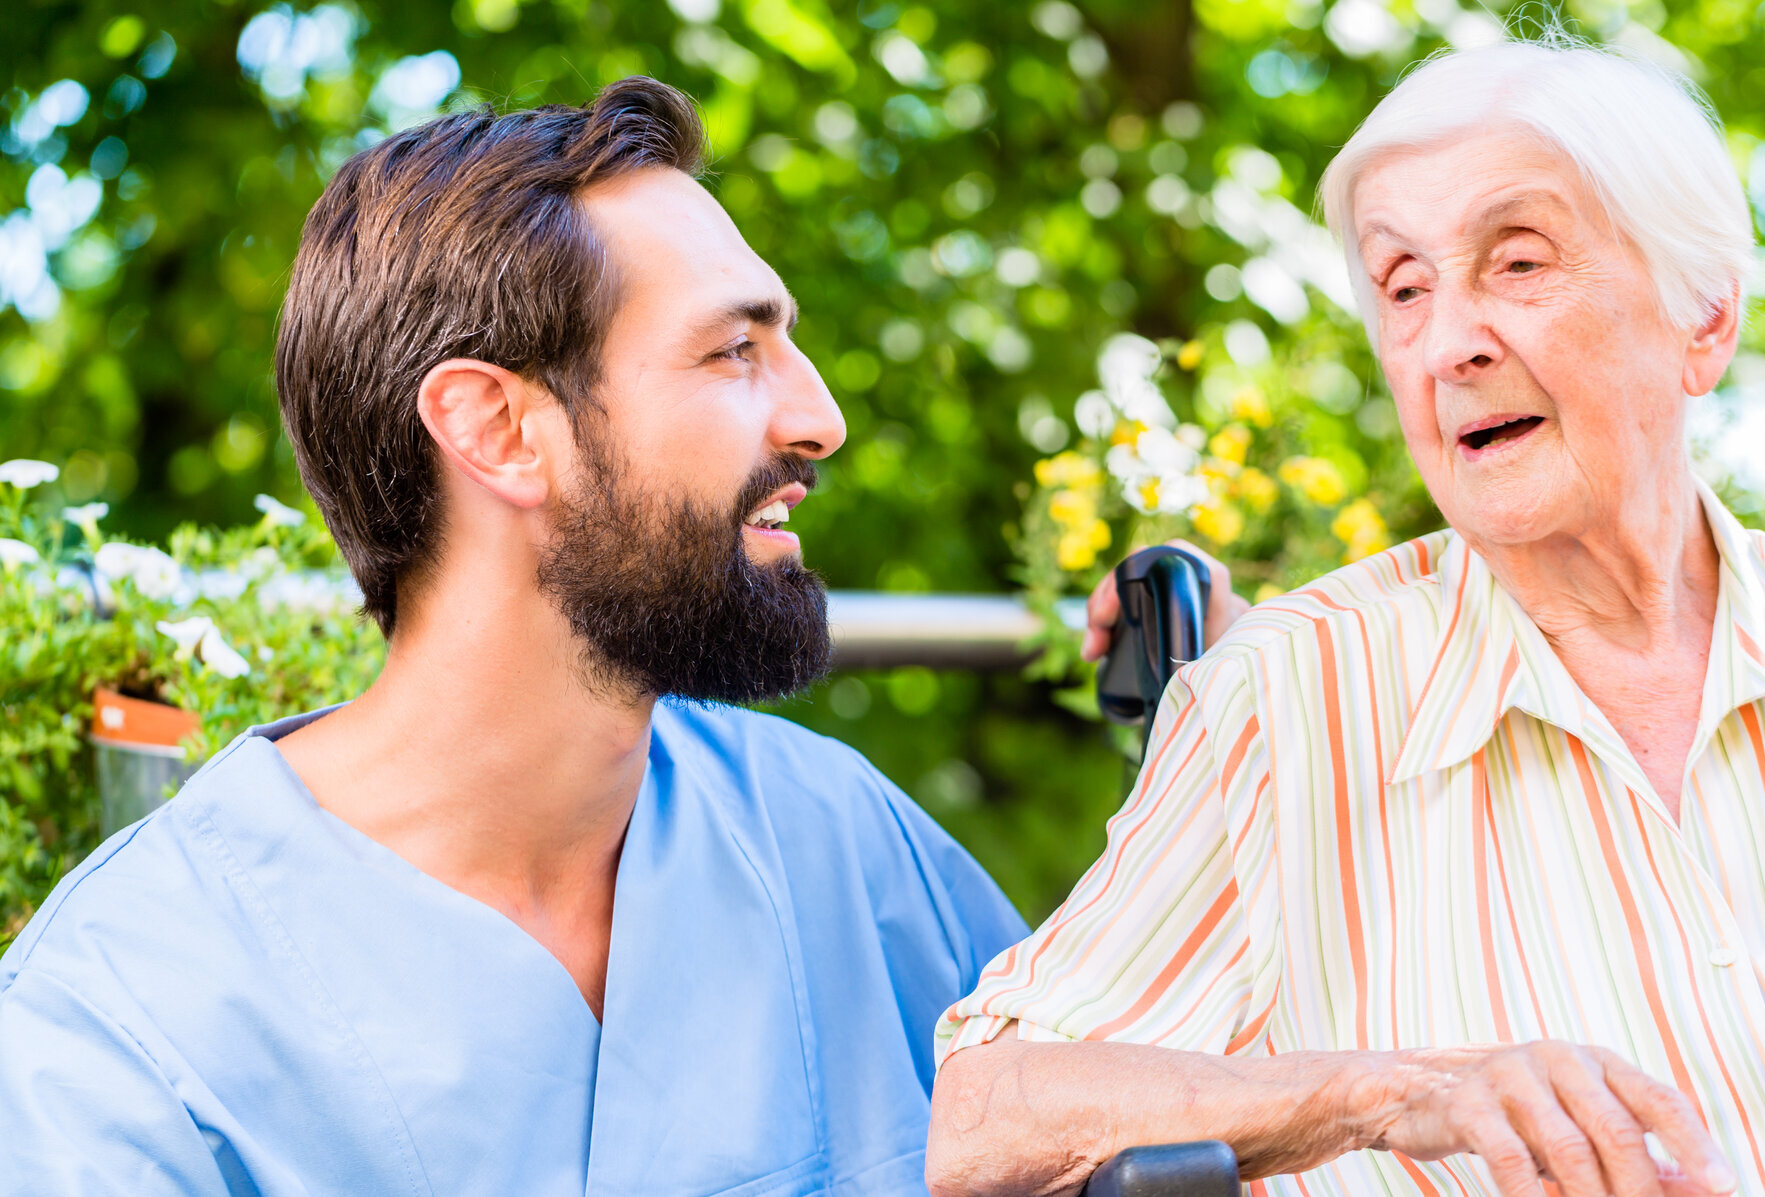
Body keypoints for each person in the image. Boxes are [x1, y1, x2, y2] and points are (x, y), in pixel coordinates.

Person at [929, 37, 1765, 1197]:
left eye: (1518, 263)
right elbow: (981, 1120)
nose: (1448, 344)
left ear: (1702, 322)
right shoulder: (1289, 702)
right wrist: (1398, 1092)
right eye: (1402, 288)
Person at [0, 78, 1044, 1195]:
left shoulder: (840, 844)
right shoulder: (121, 1029)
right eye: (731, 351)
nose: (819, 419)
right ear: (496, 429)